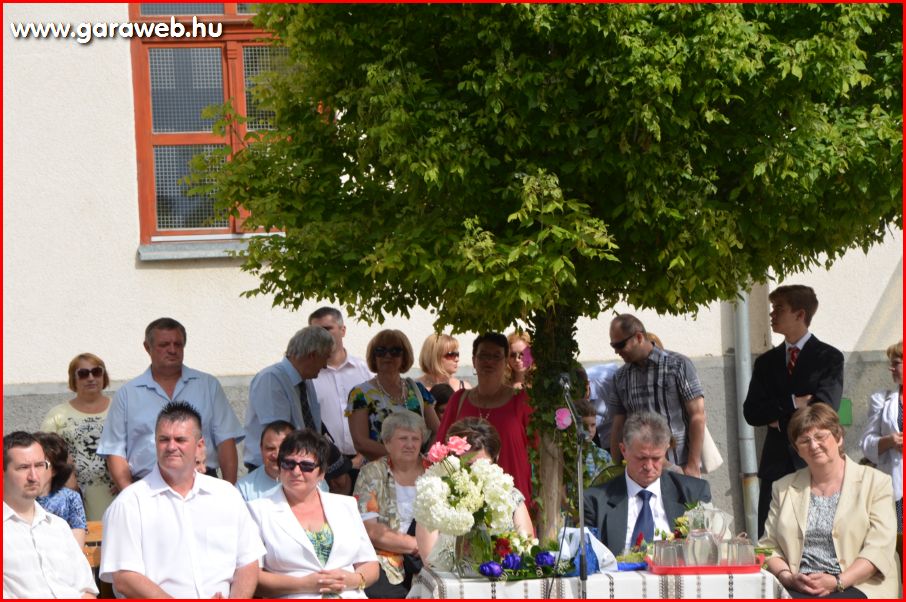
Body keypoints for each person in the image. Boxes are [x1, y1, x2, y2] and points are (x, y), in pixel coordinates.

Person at [100, 402, 264, 598]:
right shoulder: (129, 503)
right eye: (163, 439)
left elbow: (248, 562)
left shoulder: (227, 496)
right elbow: (124, 578)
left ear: (199, 446)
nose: (171, 447)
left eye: (180, 439)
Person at [761, 404, 897, 598]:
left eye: (820, 437)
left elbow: (879, 547)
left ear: (838, 437)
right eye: (804, 440)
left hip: (858, 584)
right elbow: (767, 547)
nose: (813, 445)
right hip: (798, 585)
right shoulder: (782, 488)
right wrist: (787, 577)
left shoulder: (877, 482)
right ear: (797, 450)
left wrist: (838, 581)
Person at [743, 285, 844, 537]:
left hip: (814, 463)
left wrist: (778, 420)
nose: (772, 314)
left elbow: (824, 408)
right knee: (771, 537)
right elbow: (752, 412)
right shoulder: (766, 363)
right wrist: (793, 402)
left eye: (779, 308)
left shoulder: (829, 357)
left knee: (815, 537)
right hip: (775, 465)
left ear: (799, 314)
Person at [98, 317, 244, 489]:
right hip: (147, 487)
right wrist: (130, 495)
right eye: (164, 345)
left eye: (178, 344)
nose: (172, 350)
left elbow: (226, 441)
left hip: (203, 484)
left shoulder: (208, 386)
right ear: (147, 347)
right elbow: (114, 452)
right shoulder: (127, 394)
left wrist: (228, 491)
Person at [246, 429, 379, 598]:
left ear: (321, 473)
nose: (296, 471)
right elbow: (251, 576)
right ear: (280, 467)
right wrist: (303, 585)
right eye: (288, 464)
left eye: (306, 466)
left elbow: (370, 564)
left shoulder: (346, 505)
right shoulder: (257, 511)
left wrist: (353, 579)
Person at [584, 411, 711, 553]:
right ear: (623, 450)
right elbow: (590, 558)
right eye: (641, 458)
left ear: (666, 450)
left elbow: (706, 551)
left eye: (656, 458)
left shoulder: (693, 493)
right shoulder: (595, 502)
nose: (649, 467)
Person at [417, 417, 534, 569]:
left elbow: (527, 550)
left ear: (496, 459)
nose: (475, 472)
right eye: (468, 465)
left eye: (483, 464)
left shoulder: (511, 496)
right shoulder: (435, 496)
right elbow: (430, 563)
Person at [436, 332, 534, 504]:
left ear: (506, 361)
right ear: (474, 360)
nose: (489, 361)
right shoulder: (459, 400)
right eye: (483, 356)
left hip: (513, 499)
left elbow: (538, 452)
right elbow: (441, 449)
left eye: (496, 356)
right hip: (468, 500)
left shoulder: (521, 400)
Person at [607, 314, 706, 478]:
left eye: (620, 345)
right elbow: (618, 425)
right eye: (613, 346)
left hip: (678, 466)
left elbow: (698, 415)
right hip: (639, 471)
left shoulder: (678, 365)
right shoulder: (621, 376)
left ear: (639, 337)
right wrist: (615, 469)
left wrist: (693, 466)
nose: (616, 351)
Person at [3, 431, 98, 599]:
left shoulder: (59, 527)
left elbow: (87, 590)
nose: (33, 476)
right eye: (23, 467)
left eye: (40, 465)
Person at [352, 411, 428, 597]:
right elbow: (370, 530)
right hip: (385, 559)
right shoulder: (371, 472)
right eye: (403, 438)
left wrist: (428, 548)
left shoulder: (436, 471)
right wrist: (416, 544)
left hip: (430, 558)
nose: (410, 445)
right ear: (387, 443)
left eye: (415, 439)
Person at [243, 326, 335, 471]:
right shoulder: (271, 379)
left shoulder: (306, 381)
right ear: (312, 355)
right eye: (325, 358)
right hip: (273, 469)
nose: (325, 366)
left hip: (300, 467)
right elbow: (279, 436)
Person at [41, 353, 115, 521]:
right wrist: (65, 475)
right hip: (71, 491)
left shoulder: (120, 407)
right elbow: (44, 452)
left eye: (96, 372)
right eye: (83, 374)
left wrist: (125, 479)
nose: (91, 378)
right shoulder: (57, 414)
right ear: (73, 379)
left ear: (104, 376)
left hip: (114, 491)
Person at [347, 329, 439, 461]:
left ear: (404, 357)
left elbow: (438, 431)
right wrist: (402, 457)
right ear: (374, 356)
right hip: (379, 469)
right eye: (380, 351)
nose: (387, 355)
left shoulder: (417, 389)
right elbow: (360, 442)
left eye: (395, 351)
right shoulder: (360, 394)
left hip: (418, 469)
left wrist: (425, 460)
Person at [308, 307, 372, 473]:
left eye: (327, 329)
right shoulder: (308, 376)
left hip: (366, 461)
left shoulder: (365, 371)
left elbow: (378, 414)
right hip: (324, 464)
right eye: (316, 331)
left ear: (343, 330)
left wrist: (363, 455)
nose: (321, 335)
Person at [859, 340, 902, 534]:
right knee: (897, 541)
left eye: (896, 363)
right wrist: (889, 441)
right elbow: (866, 444)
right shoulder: (882, 400)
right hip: (896, 488)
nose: (891, 368)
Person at [33, 432, 88, 547]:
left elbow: (76, 546)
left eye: (39, 464)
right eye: (24, 465)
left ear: (55, 469)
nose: (32, 471)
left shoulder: (70, 498)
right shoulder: (15, 498)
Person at [237, 420, 294, 502]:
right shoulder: (244, 489)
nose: (277, 455)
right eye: (270, 448)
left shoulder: (309, 482)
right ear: (261, 449)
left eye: (284, 448)